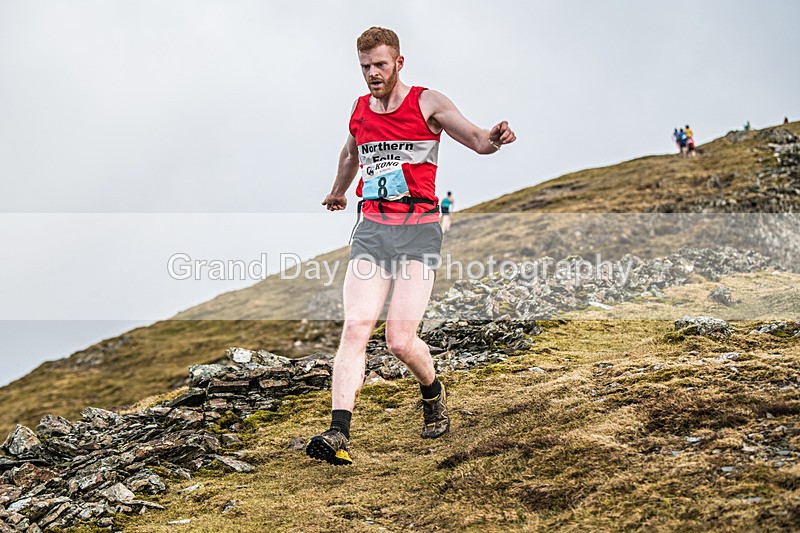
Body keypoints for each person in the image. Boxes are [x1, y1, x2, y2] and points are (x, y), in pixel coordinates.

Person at [309, 27, 515, 465]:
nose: (372, 74)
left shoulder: (428, 103)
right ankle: (338, 431)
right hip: (372, 230)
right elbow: (351, 154)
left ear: (399, 63)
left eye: (380, 65)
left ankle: (433, 390)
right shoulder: (360, 110)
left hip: (419, 232)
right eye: (364, 67)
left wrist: (495, 137)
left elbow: (478, 140)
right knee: (355, 329)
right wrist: (339, 191)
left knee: (400, 341)